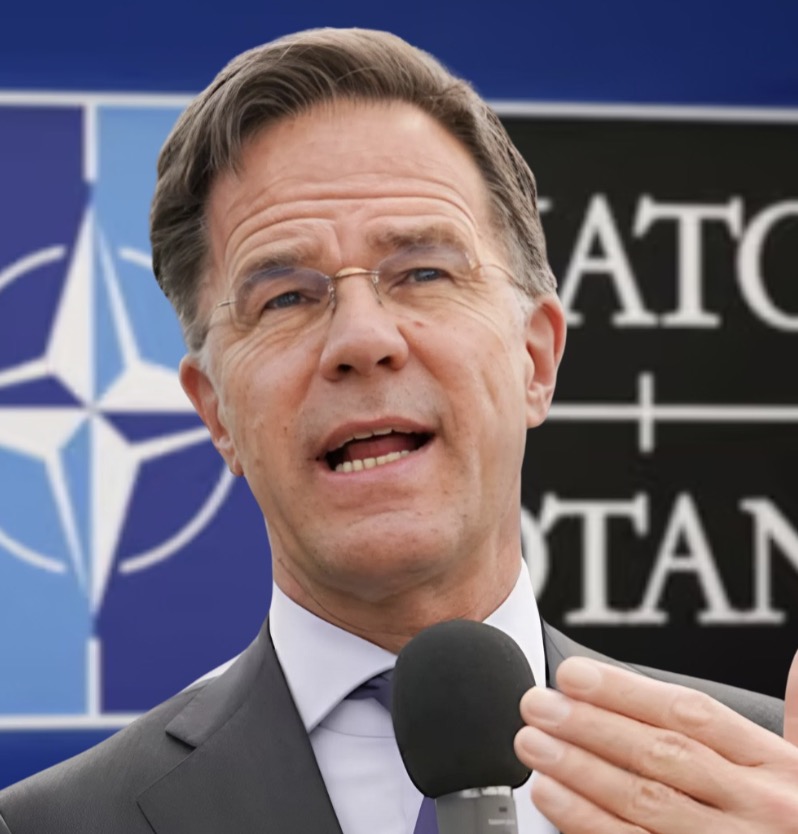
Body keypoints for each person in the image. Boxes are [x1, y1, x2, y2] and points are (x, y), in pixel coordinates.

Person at [0, 26, 795, 834]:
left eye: (422, 272)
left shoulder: (771, 776)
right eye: (285, 298)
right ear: (217, 413)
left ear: (536, 359)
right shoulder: (48, 827)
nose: (361, 339)